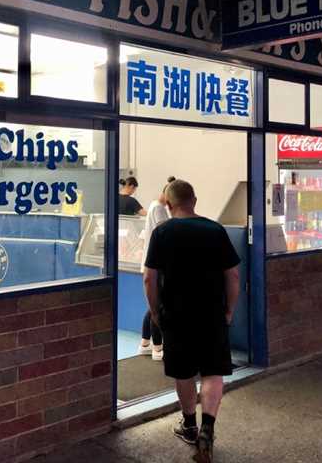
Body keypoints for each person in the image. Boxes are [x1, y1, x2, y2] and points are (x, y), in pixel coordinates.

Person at [143, 179, 241, 463]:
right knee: (212, 371)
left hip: (176, 314)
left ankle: (189, 425)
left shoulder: (162, 232)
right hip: (211, 312)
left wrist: (156, 311)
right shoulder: (215, 229)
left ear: (169, 205)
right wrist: (229, 310)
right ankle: (208, 429)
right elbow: (233, 276)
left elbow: (149, 277)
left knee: (184, 372)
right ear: (194, 200)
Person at [137, 176, 175, 361]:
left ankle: (145, 342)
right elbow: (165, 230)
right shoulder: (159, 209)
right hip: (157, 263)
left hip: (152, 261)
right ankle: (158, 347)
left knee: (153, 304)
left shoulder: (154, 206)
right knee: (158, 305)